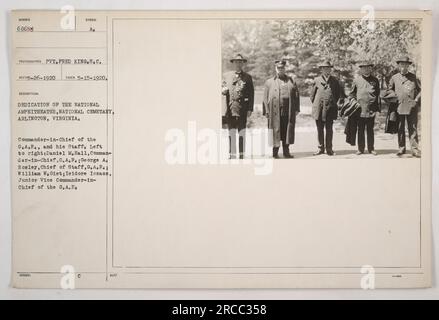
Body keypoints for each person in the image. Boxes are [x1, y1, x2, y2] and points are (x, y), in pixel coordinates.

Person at [262, 59, 300, 158]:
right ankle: (275, 153)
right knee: (275, 131)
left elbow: (296, 95)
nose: (280, 70)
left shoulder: (291, 80)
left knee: (287, 131)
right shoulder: (269, 82)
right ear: (275, 69)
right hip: (275, 112)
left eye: (282, 68)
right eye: (278, 68)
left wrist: (296, 109)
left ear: (284, 69)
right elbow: (265, 98)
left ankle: (286, 152)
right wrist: (266, 111)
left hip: (288, 111)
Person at [222, 54, 254, 159]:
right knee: (231, 132)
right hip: (230, 108)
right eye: (236, 62)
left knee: (241, 132)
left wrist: (250, 109)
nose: (238, 64)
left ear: (243, 63)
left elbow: (251, 94)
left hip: (242, 109)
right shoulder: (226, 76)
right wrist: (223, 90)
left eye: (240, 62)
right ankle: (232, 154)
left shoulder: (248, 77)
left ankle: (241, 154)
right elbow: (222, 87)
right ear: (233, 63)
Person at [388, 56, 421, 157]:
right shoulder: (394, 77)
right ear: (398, 65)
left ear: (408, 65)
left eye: (406, 64)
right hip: (399, 106)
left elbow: (421, 90)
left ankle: (415, 149)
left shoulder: (414, 77)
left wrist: (416, 100)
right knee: (400, 128)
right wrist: (394, 97)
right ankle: (401, 148)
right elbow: (389, 90)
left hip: (412, 107)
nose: (403, 66)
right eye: (401, 64)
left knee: (413, 128)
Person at [310, 60, 345, 156]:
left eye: (328, 68)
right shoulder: (316, 80)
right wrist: (318, 104)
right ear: (321, 69)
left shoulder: (335, 81)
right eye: (324, 68)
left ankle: (329, 149)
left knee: (329, 129)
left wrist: (331, 103)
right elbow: (312, 96)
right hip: (319, 109)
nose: (326, 70)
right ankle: (320, 148)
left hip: (330, 109)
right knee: (319, 129)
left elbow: (337, 95)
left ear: (331, 69)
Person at [349, 61, 381, 155]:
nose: (366, 69)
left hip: (372, 109)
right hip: (360, 109)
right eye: (364, 67)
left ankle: (371, 149)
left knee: (370, 130)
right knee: (361, 129)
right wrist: (352, 104)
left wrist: (378, 110)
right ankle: (360, 149)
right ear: (361, 69)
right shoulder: (356, 80)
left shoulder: (375, 80)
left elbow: (378, 95)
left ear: (370, 68)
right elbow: (352, 94)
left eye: (368, 67)